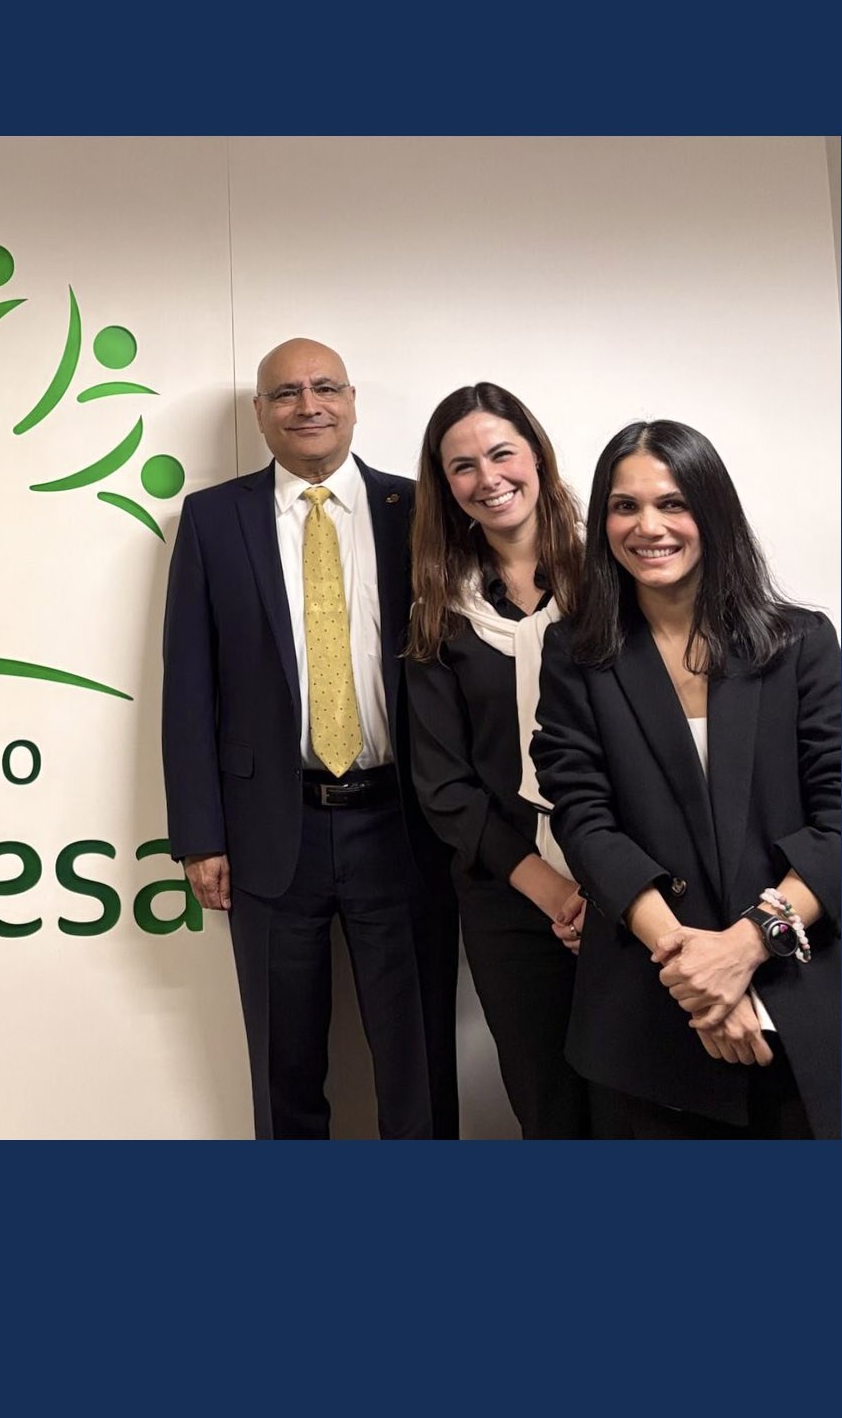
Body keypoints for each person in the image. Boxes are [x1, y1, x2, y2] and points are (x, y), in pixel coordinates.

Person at [161, 337, 456, 1138]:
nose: (307, 405)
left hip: (402, 821)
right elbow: (188, 685)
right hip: (267, 830)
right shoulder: (212, 519)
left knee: (418, 1059)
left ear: (352, 400)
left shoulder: (419, 510)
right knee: (281, 1062)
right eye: (284, 393)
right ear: (260, 414)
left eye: (324, 387)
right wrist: (198, 834)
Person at [532, 420, 838, 1138]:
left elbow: (836, 818)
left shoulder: (800, 642)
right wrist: (694, 975)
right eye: (624, 505)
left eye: (672, 503)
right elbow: (582, 817)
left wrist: (744, 947)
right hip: (645, 1016)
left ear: (712, 511)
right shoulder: (575, 652)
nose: (648, 526)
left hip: (794, 1003)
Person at [403, 382, 602, 1138]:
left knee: (643, 1106)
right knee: (549, 1108)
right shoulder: (436, 607)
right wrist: (552, 891)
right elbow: (444, 785)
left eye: (499, 453)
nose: (486, 477)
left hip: (629, 885)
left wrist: (605, 881)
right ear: (445, 488)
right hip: (508, 899)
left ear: (535, 456)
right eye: (462, 466)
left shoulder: (609, 582)